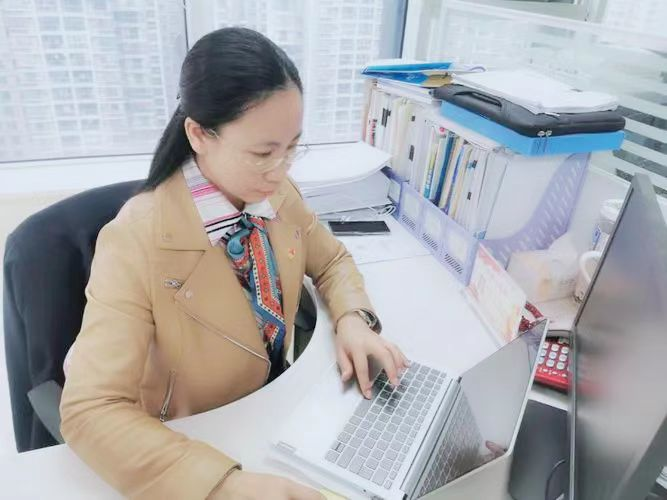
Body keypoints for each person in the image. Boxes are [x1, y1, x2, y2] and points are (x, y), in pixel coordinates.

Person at [60, 27, 408, 499]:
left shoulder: (276, 194)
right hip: (192, 440)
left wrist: (353, 320)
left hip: (272, 416)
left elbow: (331, 261)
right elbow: (90, 408)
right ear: (199, 135)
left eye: (292, 147)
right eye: (263, 153)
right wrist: (224, 485)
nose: (281, 170)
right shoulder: (134, 240)